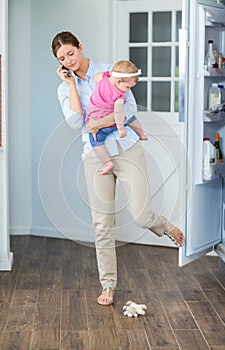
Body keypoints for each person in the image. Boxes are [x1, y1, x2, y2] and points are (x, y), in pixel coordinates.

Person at [51, 31, 184, 306]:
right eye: (62, 58)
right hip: (95, 156)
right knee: (102, 224)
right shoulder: (64, 88)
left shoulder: (110, 71)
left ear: (80, 47)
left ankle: (163, 226)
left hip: (126, 148)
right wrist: (73, 86)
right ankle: (108, 284)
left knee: (140, 215)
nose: (69, 60)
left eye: (71, 53)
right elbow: (77, 124)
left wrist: (97, 124)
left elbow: (130, 110)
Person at [86, 60, 148, 174]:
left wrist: (108, 74)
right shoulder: (118, 95)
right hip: (110, 125)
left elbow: (95, 77)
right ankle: (142, 134)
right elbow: (119, 114)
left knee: (95, 141)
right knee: (131, 119)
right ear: (119, 81)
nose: (128, 90)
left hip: (95, 123)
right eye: (128, 87)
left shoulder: (103, 78)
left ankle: (107, 162)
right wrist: (120, 128)